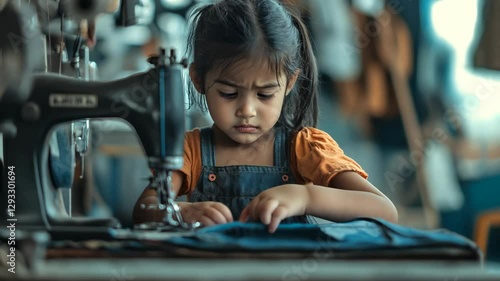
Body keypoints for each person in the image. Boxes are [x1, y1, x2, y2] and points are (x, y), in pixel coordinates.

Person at [133, 0, 398, 233]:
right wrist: (181, 212)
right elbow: (145, 209)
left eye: (264, 95)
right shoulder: (190, 151)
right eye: (228, 93)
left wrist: (305, 196)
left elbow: (384, 211)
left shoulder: (303, 148)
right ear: (198, 80)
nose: (247, 111)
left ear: (290, 83)